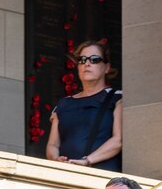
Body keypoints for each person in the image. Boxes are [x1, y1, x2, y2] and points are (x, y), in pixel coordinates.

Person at [45, 39, 121, 170]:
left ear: (107, 67)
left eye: (95, 59)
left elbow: (118, 140)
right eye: (82, 60)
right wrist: (56, 160)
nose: (87, 64)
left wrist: (87, 161)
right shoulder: (64, 103)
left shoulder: (117, 97)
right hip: (67, 174)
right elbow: (53, 144)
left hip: (102, 175)